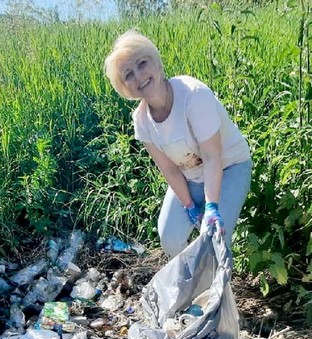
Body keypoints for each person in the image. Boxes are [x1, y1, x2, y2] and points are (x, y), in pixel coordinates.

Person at [104, 30, 252, 258]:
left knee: (214, 237)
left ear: (157, 63)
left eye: (142, 63)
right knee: (169, 236)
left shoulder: (193, 95)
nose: (139, 76)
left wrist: (211, 207)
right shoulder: (141, 121)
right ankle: (194, 283)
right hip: (191, 176)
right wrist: (190, 207)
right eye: (128, 75)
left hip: (229, 165)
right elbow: (170, 169)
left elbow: (213, 156)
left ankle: (217, 288)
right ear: (126, 88)